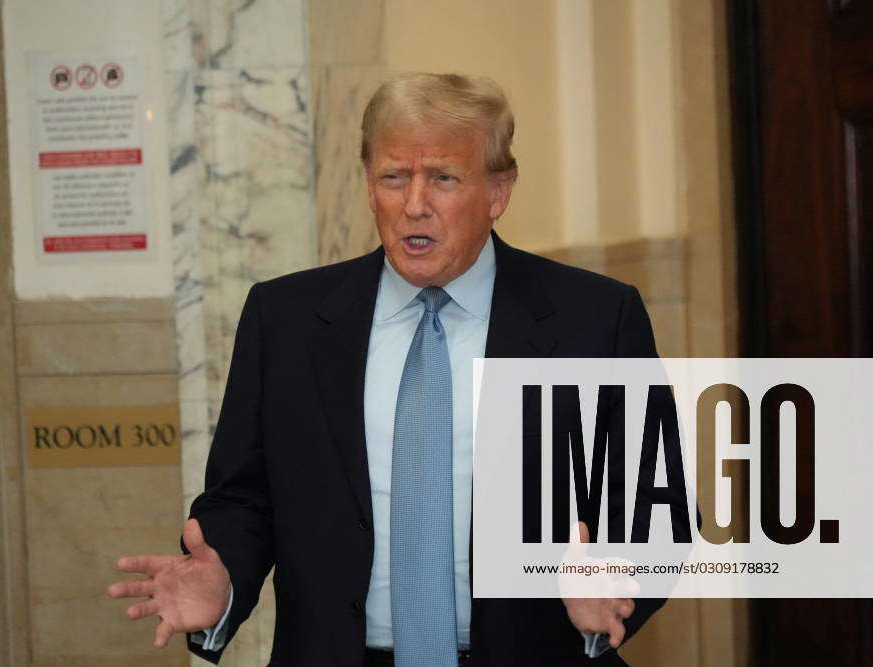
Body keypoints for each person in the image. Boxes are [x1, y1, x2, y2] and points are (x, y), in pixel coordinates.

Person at [109, 73, 664, 666]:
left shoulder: (595, 318)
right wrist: (225, 582)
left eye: (444, 179)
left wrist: (618, 582)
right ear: (370, 186)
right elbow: (244, 498)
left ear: (498, 192)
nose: (414, 204)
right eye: (393, 177)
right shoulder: (287, 320)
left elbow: (658, 503)